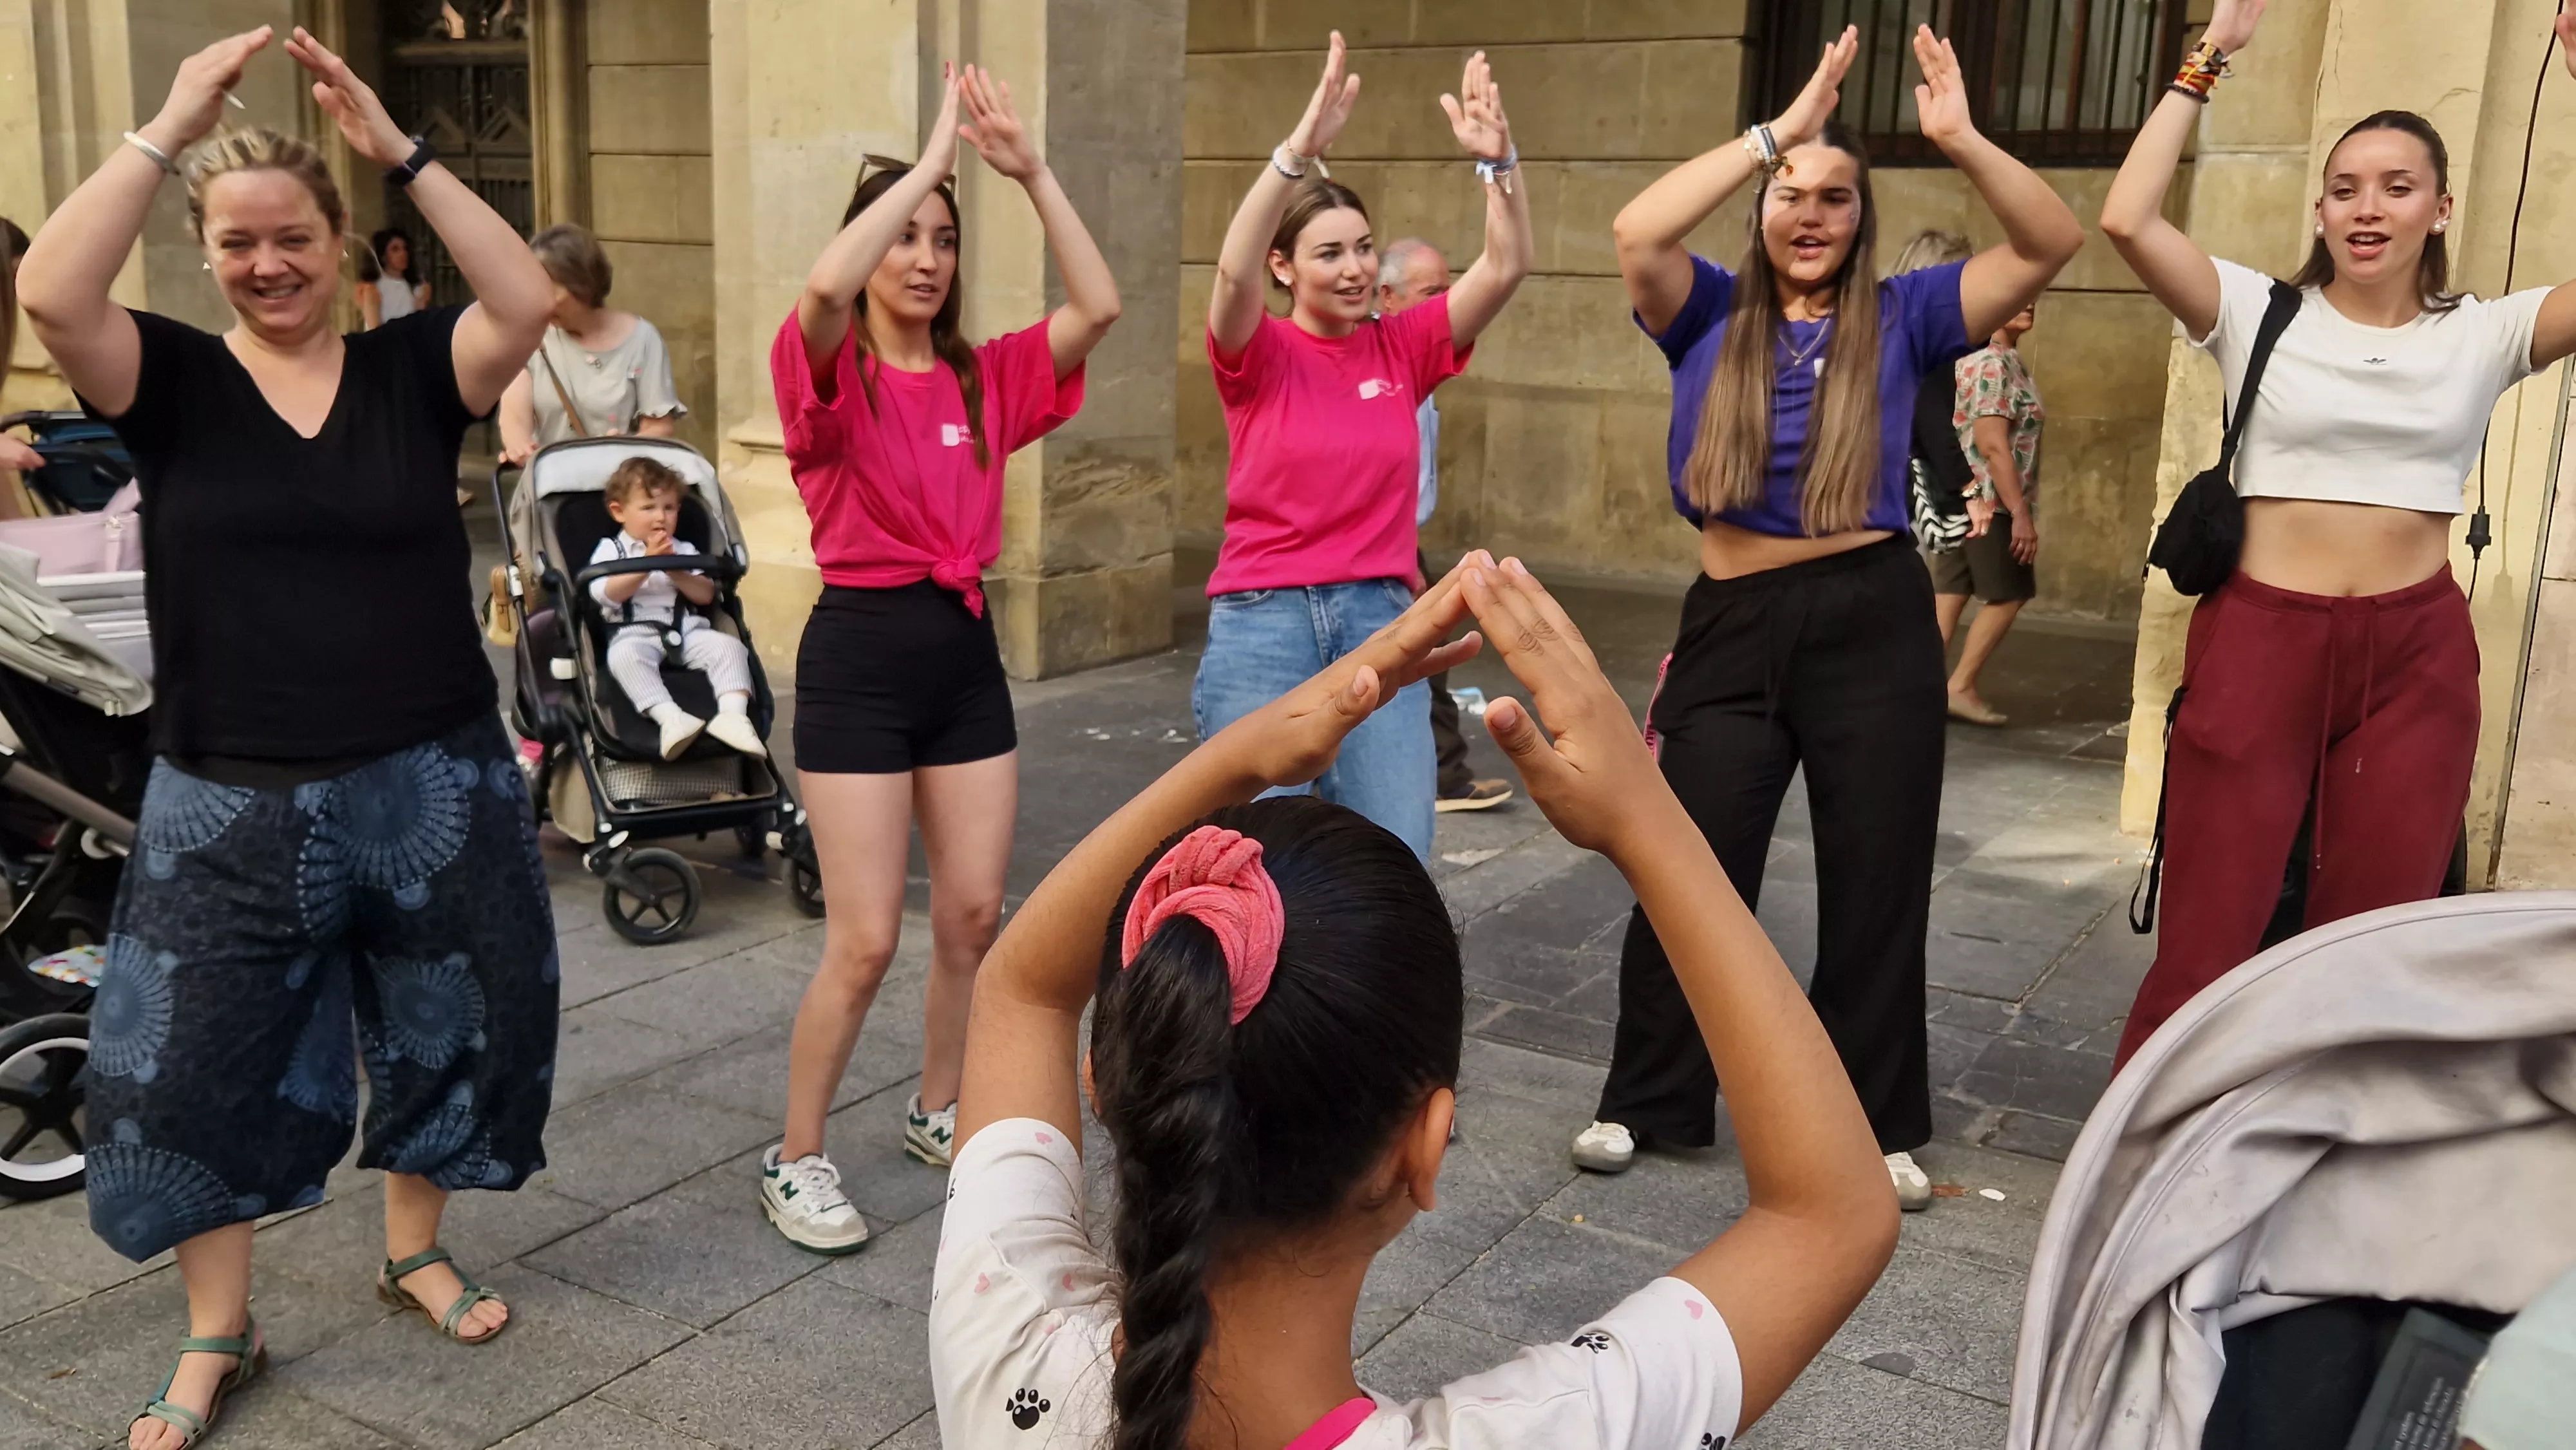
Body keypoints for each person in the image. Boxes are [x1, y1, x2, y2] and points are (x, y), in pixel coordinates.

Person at [929, 554, 1900, 1450]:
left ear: (1106, 1085)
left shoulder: (1004, 1331)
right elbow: (1832, 1217)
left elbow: (1021, 988)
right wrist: (1650, 821)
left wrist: (1240, 758)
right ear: (1423, 1151)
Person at [16, 26, 560, 1450]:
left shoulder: (412, 371)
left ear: (340, 243)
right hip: (225, 790)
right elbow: (51, 287)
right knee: (192, 1062)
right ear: (208, 253)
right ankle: (217, 1327)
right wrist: (168, 127)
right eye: (238, 244)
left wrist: (402, 149)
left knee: (449, 1027)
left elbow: (526, 292)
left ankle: (413, 1247)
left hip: (430, 770)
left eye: (294, 238)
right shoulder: (172, 384)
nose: (268, 265)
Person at [1576, 24, 2083, 1209]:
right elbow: (1635, 228)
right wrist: (1778, 130)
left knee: (1878, 876)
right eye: (1790, 195)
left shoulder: (1906, 315)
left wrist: (1957, 136)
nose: (1811, 213)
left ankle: (1873, 1115)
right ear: (1761, 206)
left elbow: (2051, 239)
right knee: (1689, 862)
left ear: (1864, 219)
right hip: (1734, 619)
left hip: (1871, 618)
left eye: (1837, 198)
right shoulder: (1700, 309)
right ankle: (1650, 1097)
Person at [2097, 0, 2576, 1064]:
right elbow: (2128, 218)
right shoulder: (2254, 309)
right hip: (2261, 641)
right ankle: (2151, 1167)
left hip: (2415, 655)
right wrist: (2208, 59)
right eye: (2347, 189)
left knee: (2372, 939)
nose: (2370, 209)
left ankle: (2327, 1161)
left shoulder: (2484, 332)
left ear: (2440, 209)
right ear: (2320, 209)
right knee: (2207, 936)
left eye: (2398, 189)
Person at [759, 62, 1118, 1252]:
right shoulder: (827, 379)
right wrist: (922, 164)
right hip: (860, 657)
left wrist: (1029, 172)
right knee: (863, 938)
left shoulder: (984, 375)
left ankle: (937, 1102)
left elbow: (1100, 305)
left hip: (962, 657)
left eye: (943, 239)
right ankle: (796, 1153)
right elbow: (821, 287)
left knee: (972, 914)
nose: (924, 256)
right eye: (906, 235)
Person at [1195, 35, 1532, 862]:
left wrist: (1501, 166)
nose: (1354, 269)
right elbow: (1231, 275)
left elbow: (1505, 265)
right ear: (1285, 266)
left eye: (1362, 248)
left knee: (1396, 861)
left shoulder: (1401, 346)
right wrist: (1295, 156)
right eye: (1329, 252)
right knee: (1255, 866)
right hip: (1261, 623)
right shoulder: (1256, 350)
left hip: (1381, 618)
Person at [1378, 235, 1511, 814]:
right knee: (1412, 660)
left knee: (1427, 658)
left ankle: (1440, 773)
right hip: (1379, 545)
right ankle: (1436, 774)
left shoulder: (1421, 353)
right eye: (1432, 293)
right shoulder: (1376, 358)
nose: (1446, 303)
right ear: (1387, 295)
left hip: (1404, 539)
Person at [588, 456, 764, 759]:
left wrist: (676, 570)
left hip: (687, 629)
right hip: (634, 632)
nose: (661, 517)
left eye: (669, 508)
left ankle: (733, 716)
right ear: (619, 512)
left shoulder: (684, 549)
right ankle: (669, 717)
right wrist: (648, 564)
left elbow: (705, 595)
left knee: (730, 648)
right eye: (648, 508)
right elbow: (605, 594)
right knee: (623, 658)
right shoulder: (611, 550)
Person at [1935, 297, 2043, 726]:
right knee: (2010, 593)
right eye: (2020, 295)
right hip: (1993, 501)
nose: (2031, 302)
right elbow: (1993, 443)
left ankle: (1914, 691)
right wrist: (2019, 513)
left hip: (1972, 498)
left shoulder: (2000, 360)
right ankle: (1958, 686)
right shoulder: (1993, 363)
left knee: (1949, 595)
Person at [497, 223, 683, 464]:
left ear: (582, 285)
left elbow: (659, 427)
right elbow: (514, 417)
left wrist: (623, 447)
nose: (538, 300)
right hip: (552, 488)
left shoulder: (643, 340)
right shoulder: (530, 337)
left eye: (548, 289)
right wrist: (519, 447)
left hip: (619, 488)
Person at [356, 224, 428, 329]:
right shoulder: (374, 289)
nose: (403, 253)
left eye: (405, 248)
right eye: (395, 249)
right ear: (383, 256)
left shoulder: (415, 286)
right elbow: (374, 331)